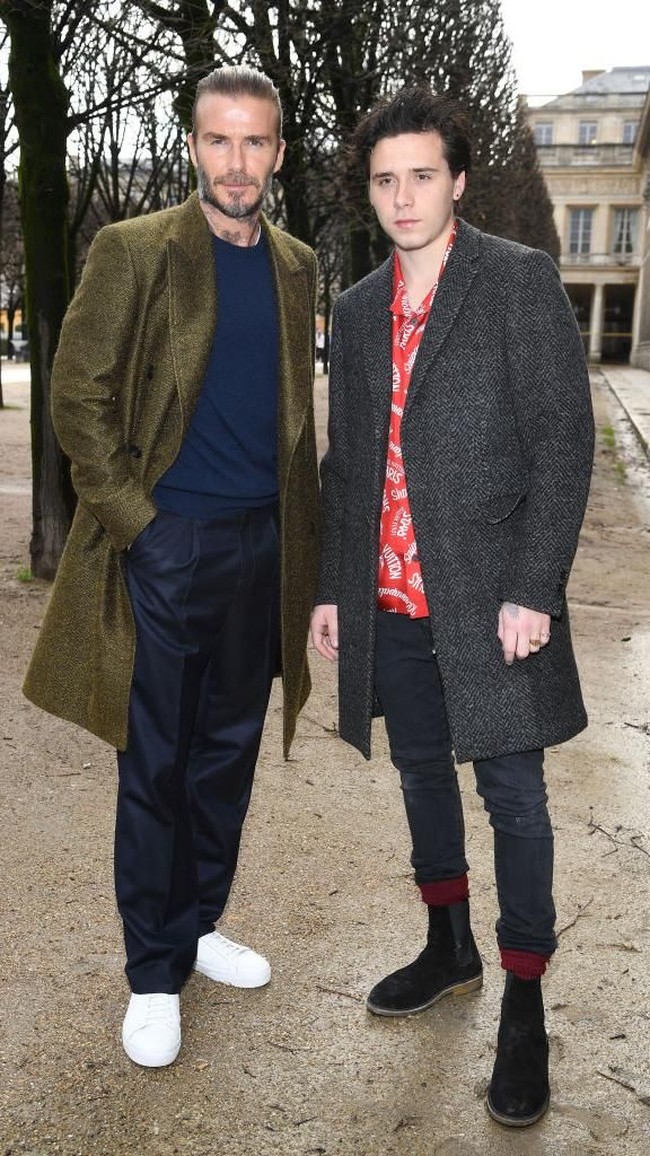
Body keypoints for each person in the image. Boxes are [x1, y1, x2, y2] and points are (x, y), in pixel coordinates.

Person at [24, 65, 320, 1068]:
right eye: (219, 141)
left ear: (278, 152)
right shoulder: (133, 249)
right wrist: (138, 526)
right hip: (167, 543)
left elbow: (290, 420)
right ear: (193, 146)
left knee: (227, 755)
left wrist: (302, 554)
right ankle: (152, 974)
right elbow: (78, 396)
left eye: (256, 143)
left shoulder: (296, 263)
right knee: (154, 763)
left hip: (260, 546)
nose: (237, 163)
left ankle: (194, 924)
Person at [311, 87, 594, 1127]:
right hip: (390, 604)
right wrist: (334, 591)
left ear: (457, 180)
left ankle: (523, 1000)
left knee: (513, 801)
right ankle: (449, 942)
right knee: (422, 774)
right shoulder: (352, 310)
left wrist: (532, 587)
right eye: (384, 179)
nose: (401, 195)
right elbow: (350, 470)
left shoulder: (516, 283)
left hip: (487, 603)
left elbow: (564, 443)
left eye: (420, 174)